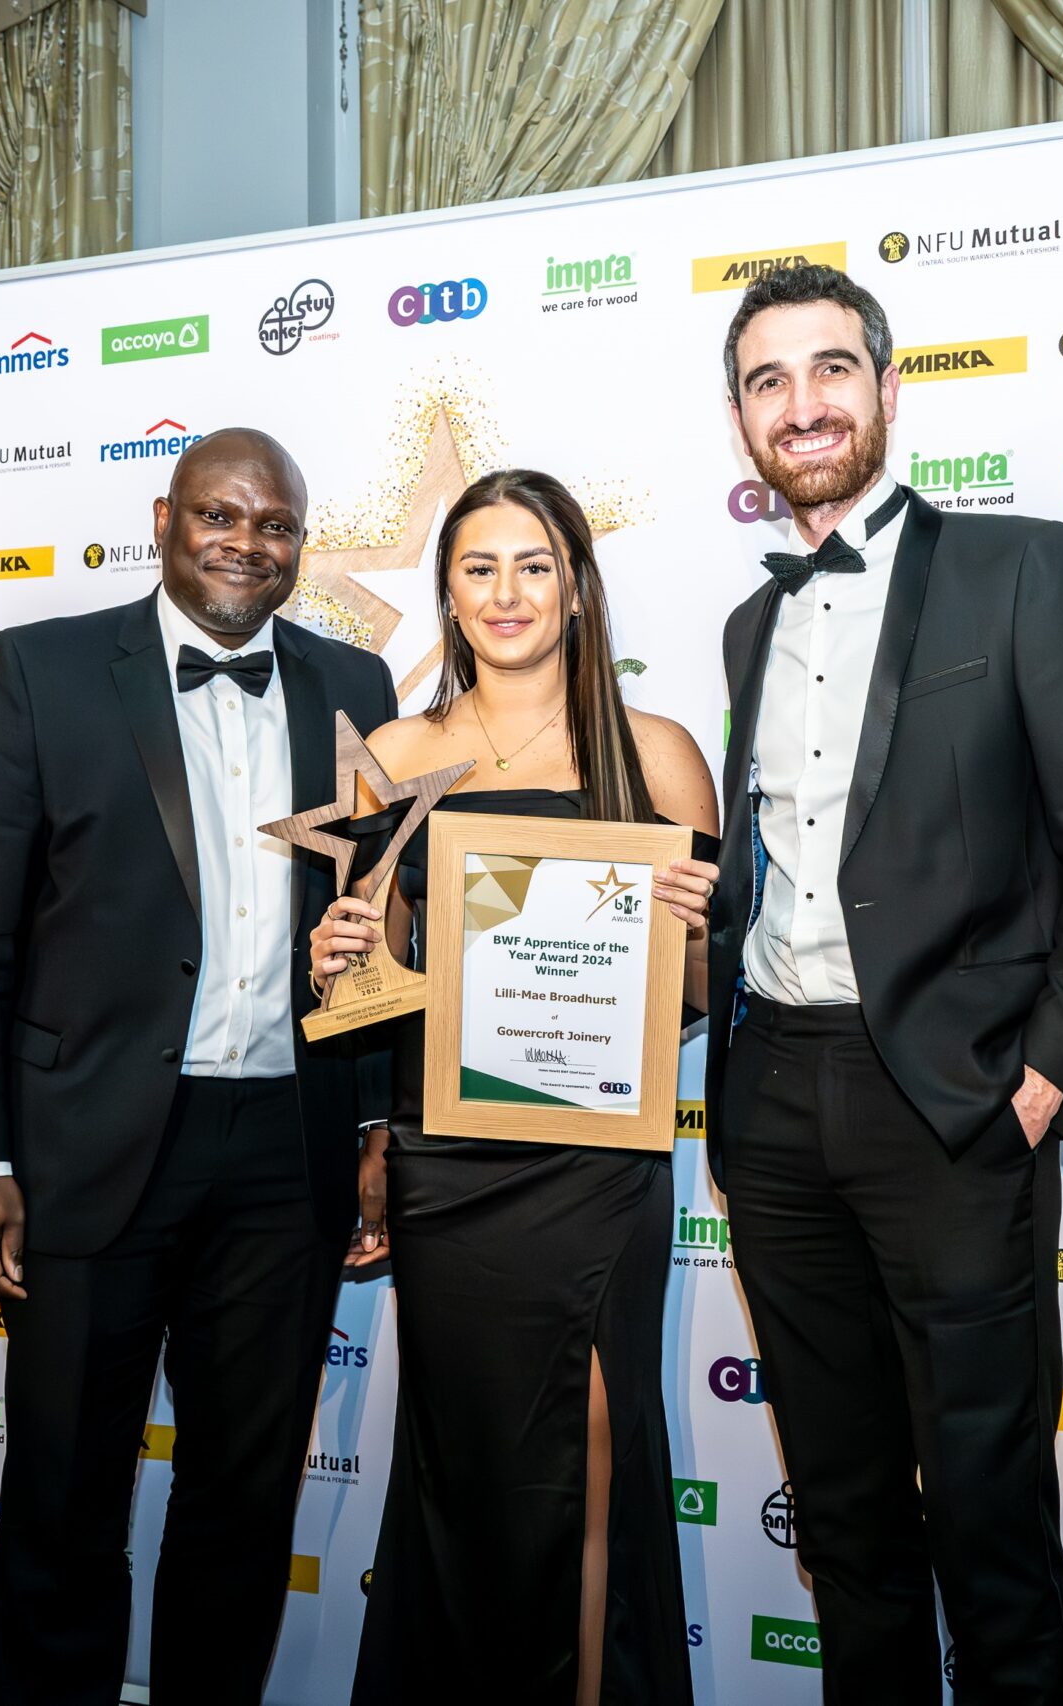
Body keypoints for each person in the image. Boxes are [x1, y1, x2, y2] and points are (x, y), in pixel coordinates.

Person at [703, 265, 1063, 1703]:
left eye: (831, 370)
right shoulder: (749, 625)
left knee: (989, 1520)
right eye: (769, 382)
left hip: (954, 1111)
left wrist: (1040, 1082)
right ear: (741, 421)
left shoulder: (1021, 568)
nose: (804, 406)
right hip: (775, 1106)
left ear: (889, 390)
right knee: (845, 1518)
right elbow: (777, 871)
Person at [0, 428, 396, 1706]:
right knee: (64, 1490)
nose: (248, 542)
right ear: (164, 515)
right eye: (221, 515)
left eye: (277, 525)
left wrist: (372, 1125)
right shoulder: (47, 668)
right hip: (89, 1143)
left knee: (244, 1495)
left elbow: (374, 934)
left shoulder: (356, 680)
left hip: (280, 1156)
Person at [310, 469, 720, 1706]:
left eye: (534, 564)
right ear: (447, 591)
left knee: (592, 1455)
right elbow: (359, 986)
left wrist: (690, 930)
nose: (506, 592)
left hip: (596, 1162)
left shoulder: (657, 755)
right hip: (450, 1161)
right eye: (479, 567)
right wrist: (337, 956)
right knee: (468, 1463)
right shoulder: (393, 753)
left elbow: (697, 996)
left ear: (579, 588)